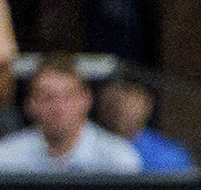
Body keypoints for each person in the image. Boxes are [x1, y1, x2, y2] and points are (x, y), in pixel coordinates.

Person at [0, 58, 144, 172]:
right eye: (47, 97)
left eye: (68, 97)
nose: (58, 107)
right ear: (30, 103)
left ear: (86, 99)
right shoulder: (6, 158)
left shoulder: (117, 159)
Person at [95, 74, 195, 173]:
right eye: (114, 101)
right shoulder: (87, 144)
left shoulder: (171, 155)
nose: (120, 106)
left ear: (147, 103)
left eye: (128, 95)